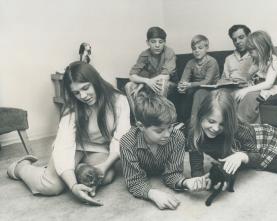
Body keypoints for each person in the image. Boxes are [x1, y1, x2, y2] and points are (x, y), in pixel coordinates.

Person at [7, 61, 131, 206]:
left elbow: (121, 137)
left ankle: (78, 168)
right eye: (76, 92)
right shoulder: (73, 107)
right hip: (74, 147)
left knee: (107, 177)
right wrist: (73, 186)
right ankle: (20, 167)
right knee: (51, 186)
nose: (83, 96)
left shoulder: (119, 100)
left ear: (95, 80)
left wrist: (105, 166)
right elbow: (64, 146)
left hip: (100, 149)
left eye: (86, 88)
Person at [188, 90, 277, 178]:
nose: (215, 128)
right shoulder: (193, 132)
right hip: (263, 155)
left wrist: (242, 155)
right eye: (211, 121)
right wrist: (197, 178)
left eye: (222, 124)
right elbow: (196, 162)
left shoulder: (239, 129)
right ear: (201, 115)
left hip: (267, 137)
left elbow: (254, 155)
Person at [120, 92, 210, 210]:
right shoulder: (127, 142)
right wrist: (152, 193)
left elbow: (172, 173)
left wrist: (185, 183)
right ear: (141, 126)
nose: (167, 134)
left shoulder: (177, 137)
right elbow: (134, 181)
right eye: (159, 131)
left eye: (170, 127)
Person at [234, 30, 277, 123]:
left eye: (251, 50)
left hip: (275, 90)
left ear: (262, 48)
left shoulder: (275, 61)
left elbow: (268, 84)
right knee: (236, 94)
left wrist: (246, 90)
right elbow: (249, 76)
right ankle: (235, 121)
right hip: (262, 87)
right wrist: (249, 75)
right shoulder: (259, 60)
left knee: (249, 96)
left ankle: (243, 124)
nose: (250, 53)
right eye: (249, 51)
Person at [125, 26, 176, 116]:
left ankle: (160, 119)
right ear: (147, 42)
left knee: (162, 83)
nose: (157, 45)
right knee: (128, 86)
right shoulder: (144, 54)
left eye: (160, 42)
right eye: (153, 42)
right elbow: (132, 75)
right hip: (150, 83)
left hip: (169, 83)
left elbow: (166, 75)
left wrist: (146, 82)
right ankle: (139, 120)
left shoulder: (169, 52)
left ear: (164, 42)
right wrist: (146, 81)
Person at [177, 35, 220, 123]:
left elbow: (207, 82)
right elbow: (184, 79)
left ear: (206, 48)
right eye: (194, 48)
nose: (197, 51)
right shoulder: (190, 62)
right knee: (183, 92)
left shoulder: (212, 61)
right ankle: (182, 122)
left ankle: (194, 123)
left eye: (200, 48)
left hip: (211, 88)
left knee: (198, 93)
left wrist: (189, 85)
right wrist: (181, 86)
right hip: (196, 87)